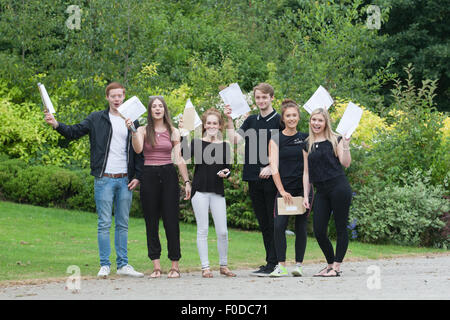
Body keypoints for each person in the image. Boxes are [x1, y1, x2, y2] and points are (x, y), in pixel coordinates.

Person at [44, 82, 144, 278]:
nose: (116, 99)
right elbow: (73, 132)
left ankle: (123, 265)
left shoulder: (133, 121)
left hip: (125, 180)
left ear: (124, 97)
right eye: (113, 96)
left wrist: (137, 176)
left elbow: (139, 152)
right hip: (104, 179)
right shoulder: (96, 118)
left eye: (119, 96)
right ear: (107, 98)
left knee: (123, 224)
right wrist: (56, 124)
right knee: (104, 223)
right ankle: (104, 265)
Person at [126, 96, 191, 279]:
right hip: (149, 175)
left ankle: (174, 265)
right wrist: (132, 131)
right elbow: (138, 150)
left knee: (171, 221)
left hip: (169, 174)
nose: (157, 109)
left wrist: (186, 182)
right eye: (154, 106)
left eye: (160, 106)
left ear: (165, 109)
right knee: (151, 222)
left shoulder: (174, 131)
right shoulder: (142, 130)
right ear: (150, 110)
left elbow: (179, 158)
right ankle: (156, 266)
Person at [225, 83, 280, 276]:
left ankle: (276, 263)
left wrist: (271, 166)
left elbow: (285, 148)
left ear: (272, 98)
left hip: (272, 179)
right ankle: (269, 262)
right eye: (258, 98)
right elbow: (234, 140)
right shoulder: (250, 120)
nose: (261, 101)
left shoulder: (278, 120)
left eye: (264, 97)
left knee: (273, 222)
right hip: (252, 176)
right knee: (263, 222)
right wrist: (230, 120)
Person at [180, 108, 236, 278]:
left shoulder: (225, 145)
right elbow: (183, 155)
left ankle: (223, 265)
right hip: (200, 191)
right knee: (202, 229)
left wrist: (226, 173)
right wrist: (183, 134)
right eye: (209, 123)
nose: (212, 126)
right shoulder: (197, 143)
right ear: (204, 125)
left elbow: (228, 168)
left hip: (217, 191)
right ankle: (205, 267)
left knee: (223, 231)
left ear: (220, 126)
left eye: (215, 123)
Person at [302, 108, 352, 277]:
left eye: (320, 120)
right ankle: (330, 264)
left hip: (339, 188)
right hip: (321, 191)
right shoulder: (307, 143)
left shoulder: (335, 139)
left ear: (325, 123)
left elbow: (345, 163)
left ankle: (336, 267)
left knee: (340, 228)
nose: (316, 123)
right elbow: (306, 172)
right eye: (313, 120)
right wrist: (305, 195)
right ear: (310, 121)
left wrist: (345, 145)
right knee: (319, 230)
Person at [268, 99, 309, 277]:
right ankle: (281, 265)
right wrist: (282, 190)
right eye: (288, 116)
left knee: (301, 227)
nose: (291, 118)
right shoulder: (276, 139)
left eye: (294, 115)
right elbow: (274, 167)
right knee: (278, 227)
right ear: (283, 118)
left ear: (298, 117)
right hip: (284, 189)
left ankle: (298, 265)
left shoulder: (306, 138)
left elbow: (308, 168)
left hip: (303, 190)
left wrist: (306, 192)